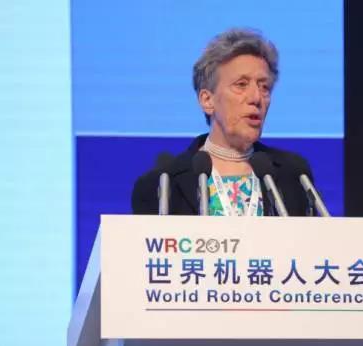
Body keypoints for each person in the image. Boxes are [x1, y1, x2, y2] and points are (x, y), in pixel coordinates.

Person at [132, 28, 314, 216]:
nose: (256, 98)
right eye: (241, 84)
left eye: (264, 87)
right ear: (207, 100)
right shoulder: (162, 184)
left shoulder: (295, 175)